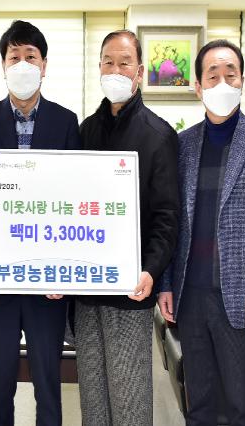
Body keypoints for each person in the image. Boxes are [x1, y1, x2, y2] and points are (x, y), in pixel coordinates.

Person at [158, 39, 245, 426]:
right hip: (190, 295)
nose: (222, 82)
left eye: (231, 74)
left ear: (242, 80)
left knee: (243, 407)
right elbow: (172, 222)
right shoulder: (183, 144)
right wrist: (166, 283)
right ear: (198, 86)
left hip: (242, 297)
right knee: (199, 405)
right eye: (212, 75)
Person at [0, 20, 80, 426]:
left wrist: (65, 270)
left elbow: (73, 198)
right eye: (15, 57)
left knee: (49, 382)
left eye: (31, 56)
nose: (23, 64)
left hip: (47, 278)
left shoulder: (66, 121)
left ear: (44, 65)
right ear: (3, 65)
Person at [75, 30, 180, 426]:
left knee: (129, 402)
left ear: (139, 72)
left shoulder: (158, 135)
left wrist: (150, 270)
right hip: (86, 291)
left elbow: (167, 216)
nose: (115, 70)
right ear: (99, 67)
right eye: (108, 62)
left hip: (131, 290)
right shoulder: (86, 131)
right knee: (93, 403)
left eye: (124, 63)